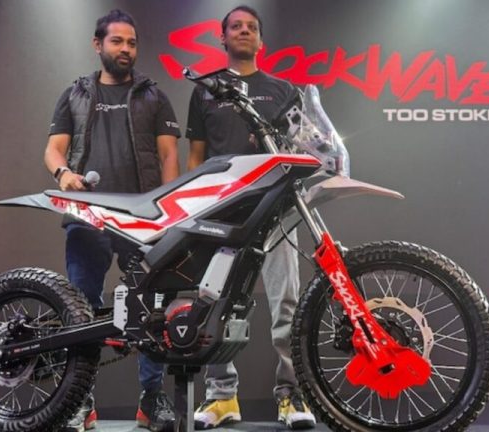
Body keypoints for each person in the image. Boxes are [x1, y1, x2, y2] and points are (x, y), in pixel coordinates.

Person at [43, 9, 180, 432]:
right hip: (88, 215)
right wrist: (63, 175)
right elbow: (53, 149)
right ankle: (81, 400)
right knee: (81, 310)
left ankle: (151, 400)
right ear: (97, 44)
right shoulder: (75, 94)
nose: (126, 49)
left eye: (132, 43)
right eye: (117, 41)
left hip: (143, 216)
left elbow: (169, 156)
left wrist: (169, 210)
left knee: (153, 310)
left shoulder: (154, 96)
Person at [186, 5, 316, 430]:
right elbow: (196, 157)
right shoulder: (205, 90)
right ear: (222, 38)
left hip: (275, 211)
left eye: (252, 28)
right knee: (215, 304)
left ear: (261, 41)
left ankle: (291, 395)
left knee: (287, 304)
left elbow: (302, 148)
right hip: (223, 213)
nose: (244, 31)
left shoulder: (284, 90)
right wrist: (195, 206)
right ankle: (221, 397)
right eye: (236, 27)